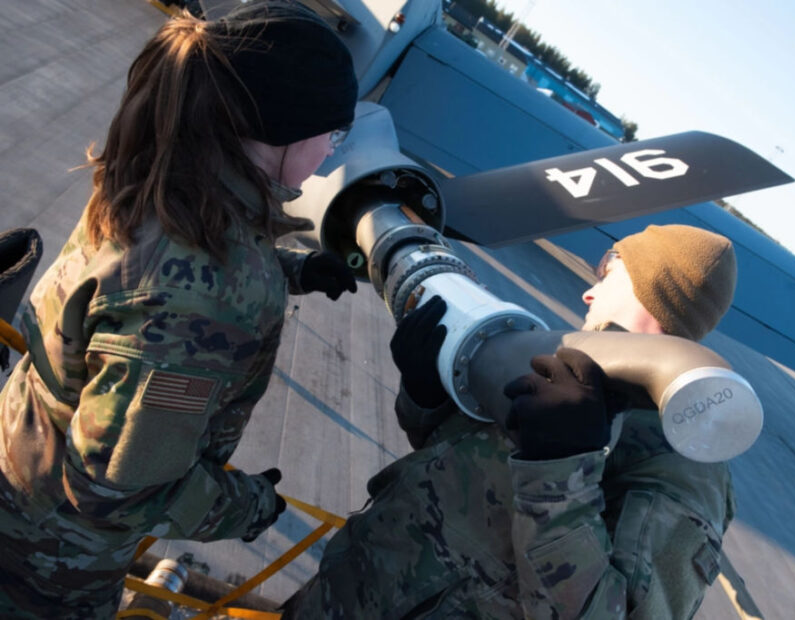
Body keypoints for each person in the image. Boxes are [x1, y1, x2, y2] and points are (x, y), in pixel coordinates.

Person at [0, 2, 358, 616]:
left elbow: (141, 286)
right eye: (334, 134)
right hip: (47, 567)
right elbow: (113, 487)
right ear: (288, 131)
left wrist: (290, 269)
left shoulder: (165, 172)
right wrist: (249, 507)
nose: (331, 151)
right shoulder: (213, 293)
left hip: (20, 459)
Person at [283, 224, 739, 619]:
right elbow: (457, 466)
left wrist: (560, 469)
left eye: (610, 270)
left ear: (649, 285)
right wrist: (425, 394)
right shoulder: (567, 367)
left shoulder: (682, 462)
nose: (589, 290)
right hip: (338, 598)